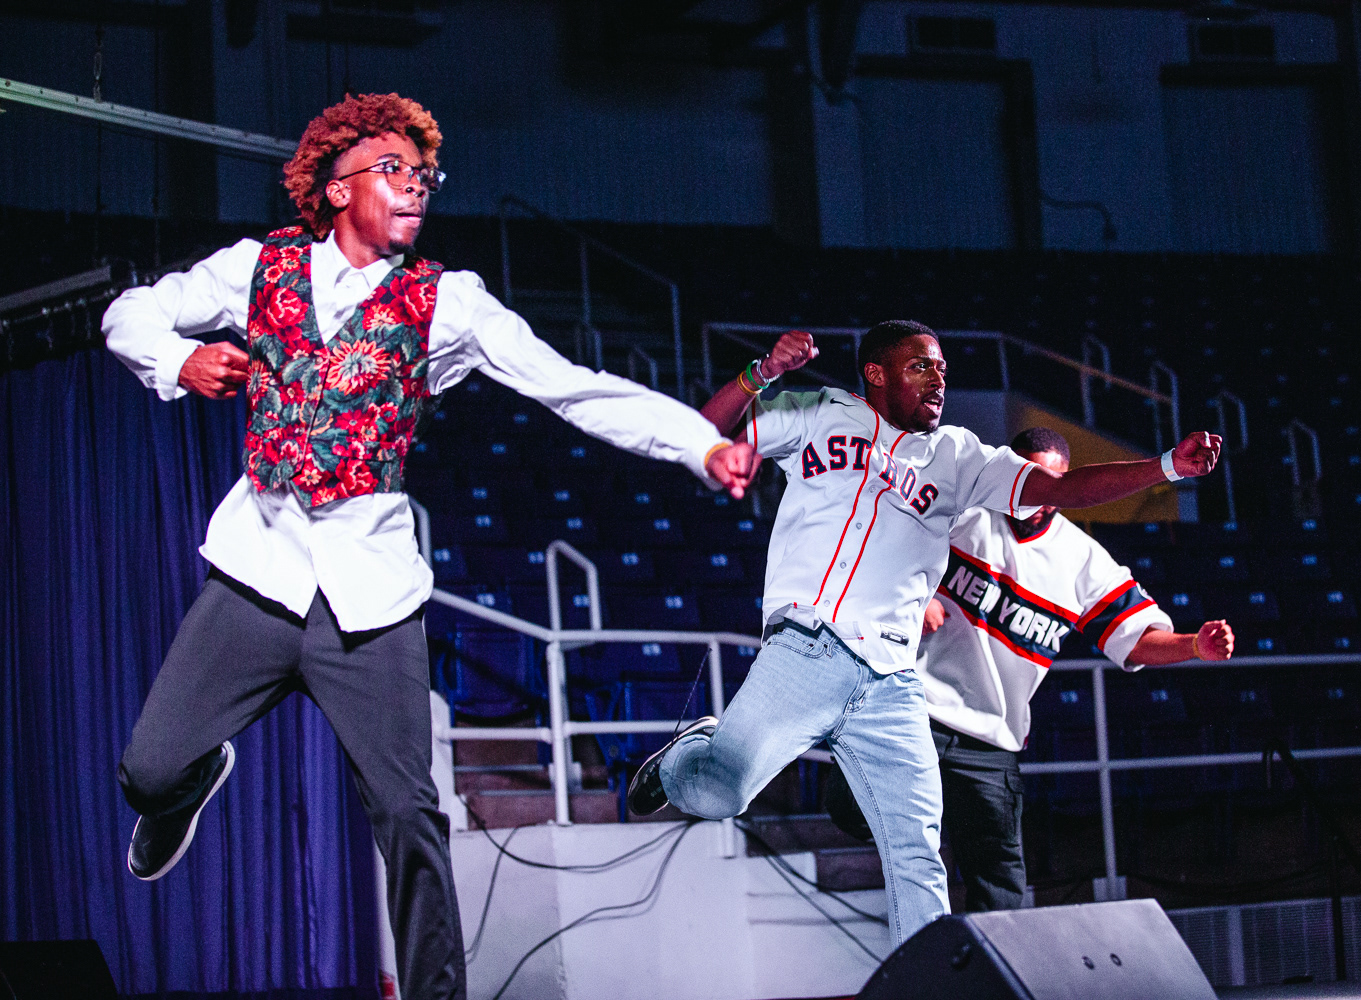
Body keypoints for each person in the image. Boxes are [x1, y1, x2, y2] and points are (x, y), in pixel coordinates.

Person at [102, 93, 757, 1000]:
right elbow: (129, 313)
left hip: (370, 601)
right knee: (146, 771)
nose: (415, 188)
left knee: (410, 816)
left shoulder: (448, 302)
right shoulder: (256, 269)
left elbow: (573, 388)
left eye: (424, 176)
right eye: (393, 171)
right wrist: (177, 361)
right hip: (260, 573)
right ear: (336, 189)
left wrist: (698, 444)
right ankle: (189, 777)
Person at [627, 322, 1222, 946]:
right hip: (807, 646)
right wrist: (763, 374)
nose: (939, 378)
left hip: (892, 680)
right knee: (721, 793)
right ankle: (686, 760)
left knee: (917, 852)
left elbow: (1059, 488)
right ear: (877, 372)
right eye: (921, 366)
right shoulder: (819, 413)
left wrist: (1166, 467)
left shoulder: (960, 457)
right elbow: (701, 434)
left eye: (942, 368)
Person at [824, 425, 1235, 912]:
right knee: (847, 807)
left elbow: (1136, 638)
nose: (1037, 495)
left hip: (990, 736)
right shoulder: (962, 510)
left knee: (999, 884)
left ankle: (982, 960)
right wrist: (915, 593)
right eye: (1028, 478)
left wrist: (1193, 645)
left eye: (1051, 484)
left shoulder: (1082, 560)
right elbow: (872, 539)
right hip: (914, 707)